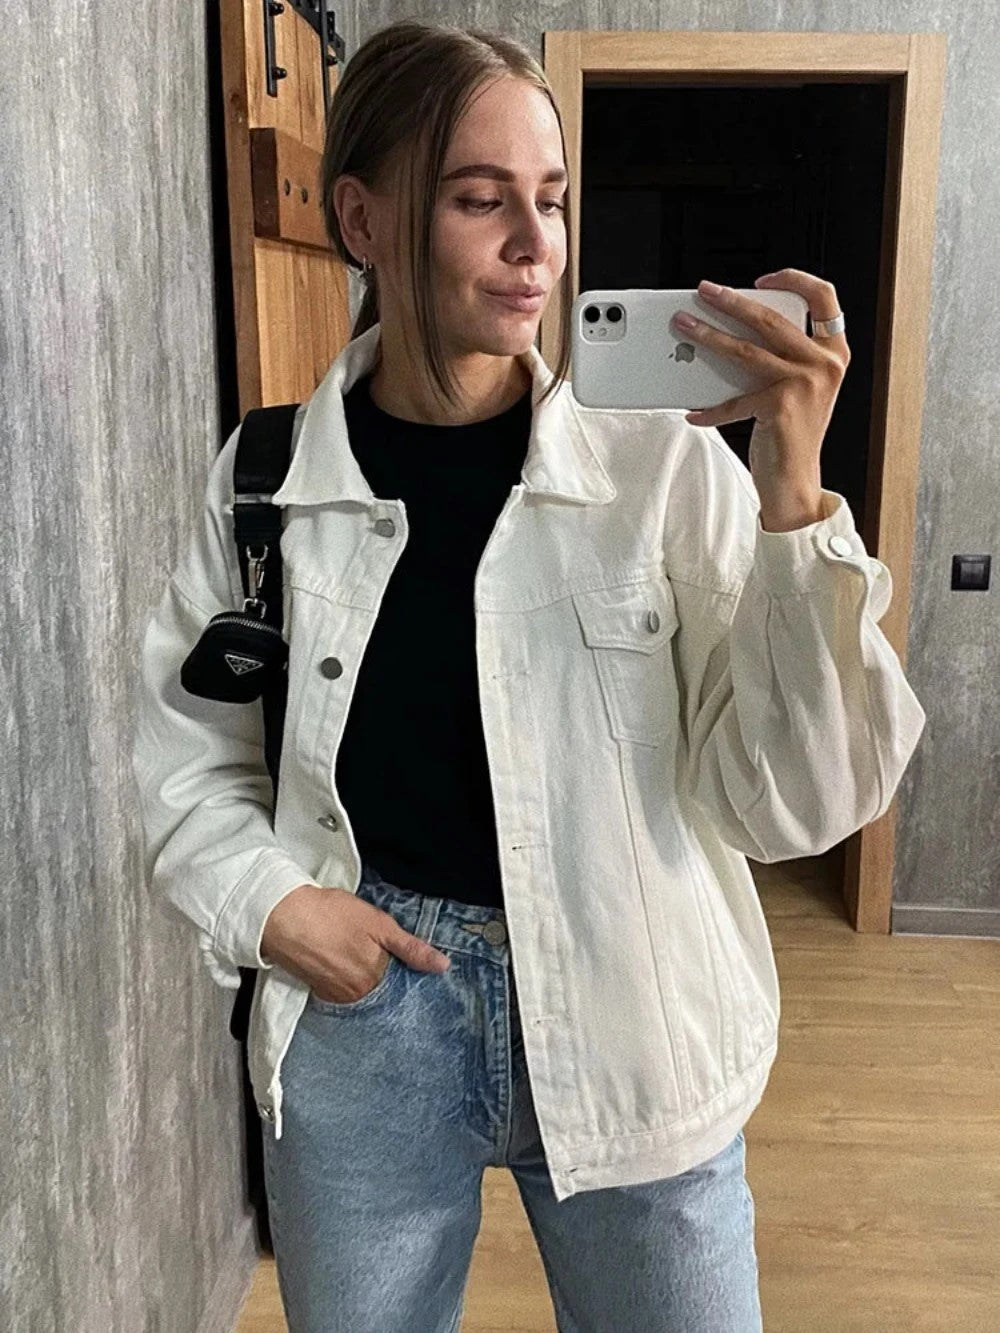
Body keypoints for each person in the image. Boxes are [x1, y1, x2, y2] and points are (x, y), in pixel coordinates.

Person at [130, 19, 926, 1333]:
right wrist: (274, 906)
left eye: (549, 200)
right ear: (362, 219)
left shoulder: (662, 469)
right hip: (368, 1007)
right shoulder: (271, 478)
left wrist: (794, 493)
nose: (534, 244)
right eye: (478, 198)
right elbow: (187, 749)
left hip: (637, 1001)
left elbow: (795, 803)